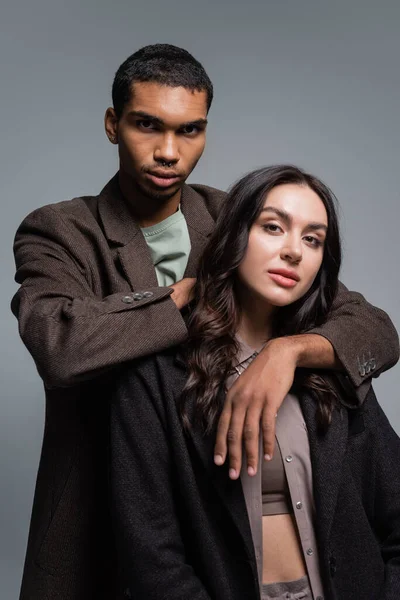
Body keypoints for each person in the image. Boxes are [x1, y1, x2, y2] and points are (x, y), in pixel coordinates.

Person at [11, 45, 398, 600]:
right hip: (95, 521)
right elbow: (60, 344)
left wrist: (285, 353)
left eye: (190, 131)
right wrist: (185, 296)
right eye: (148, 126)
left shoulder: (234, 216)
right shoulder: (60, 230)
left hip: (212, 518)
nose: (169, 151)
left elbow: (371, 326)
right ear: (112, 124)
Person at [111, 165, 400, 600]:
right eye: (273, 227)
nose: (293, 252)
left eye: (312, 239)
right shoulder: (154, 376)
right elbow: (152, 558)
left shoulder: (330, 367)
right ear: (234, 235)